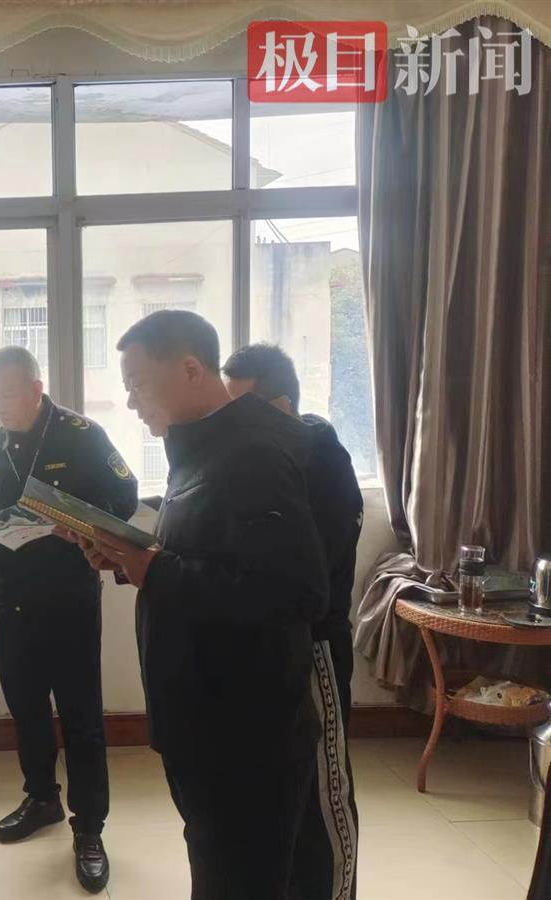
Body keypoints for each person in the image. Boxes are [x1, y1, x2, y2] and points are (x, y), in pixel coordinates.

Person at [66, 311, 329, 900]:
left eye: (137, 383)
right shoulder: (199, 449)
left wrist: (155, 570)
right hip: (201, 725)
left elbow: (296, 591)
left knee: (237, 880)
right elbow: (207, 555)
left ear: (190, 369)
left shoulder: (252, 454)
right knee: (216, 868)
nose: (130, 401)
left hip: (244, 738)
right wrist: (126, 558)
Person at [0, 346, 138, 895]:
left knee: (81, 717)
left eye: (7, 394)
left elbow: (124, 498)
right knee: (26, 708)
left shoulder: (81, 436)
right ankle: (41, 799)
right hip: (8, 598)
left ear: (36, 389)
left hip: (68, 597)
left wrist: (72, 520)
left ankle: (90, 828)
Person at [223, 343, 363, 900]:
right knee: (278, 797)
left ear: (280, 407)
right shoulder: (267, 458)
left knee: (323, 797)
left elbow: (303, 580)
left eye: (240, 409)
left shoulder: (322, 463)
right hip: (268, 650)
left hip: (314, 649)